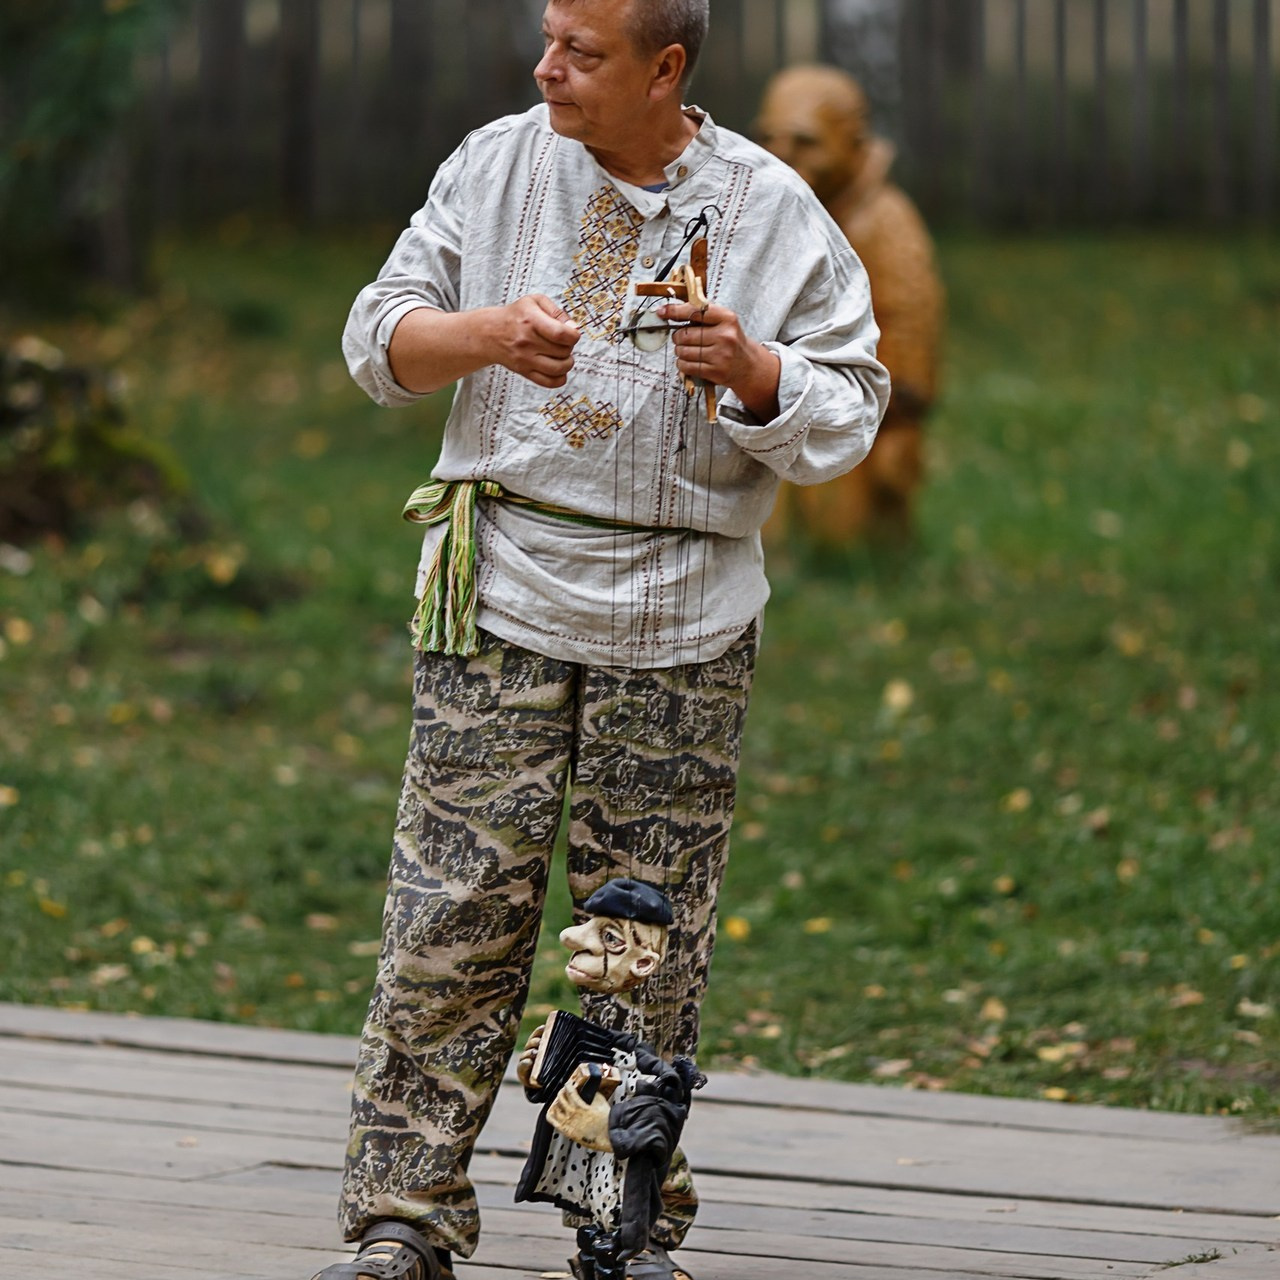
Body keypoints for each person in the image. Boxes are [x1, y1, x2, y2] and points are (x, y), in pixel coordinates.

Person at [320, 4, 887, 1280]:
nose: (547, 68)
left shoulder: (768, 205)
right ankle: (402, 1219)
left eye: (582, 50)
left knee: (633, 940)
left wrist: (751, 369)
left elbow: (850, 406)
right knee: (451, 912)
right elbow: (378, 335)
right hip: (500, 594)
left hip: (679, 621)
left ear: (665, 68)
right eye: (547, 40)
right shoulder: (495, 162)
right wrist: (483, 336)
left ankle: (615, 1222)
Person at [756, 64, 943, 545]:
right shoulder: (776, 210)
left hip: (859, 421)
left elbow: (911, 318)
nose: (782, 155)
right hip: (777, 410)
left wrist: (900, 414)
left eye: (805, 142)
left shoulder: (884, 221)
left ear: (853, 140)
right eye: (770, 138)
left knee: (845, 532)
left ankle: (854, 571)